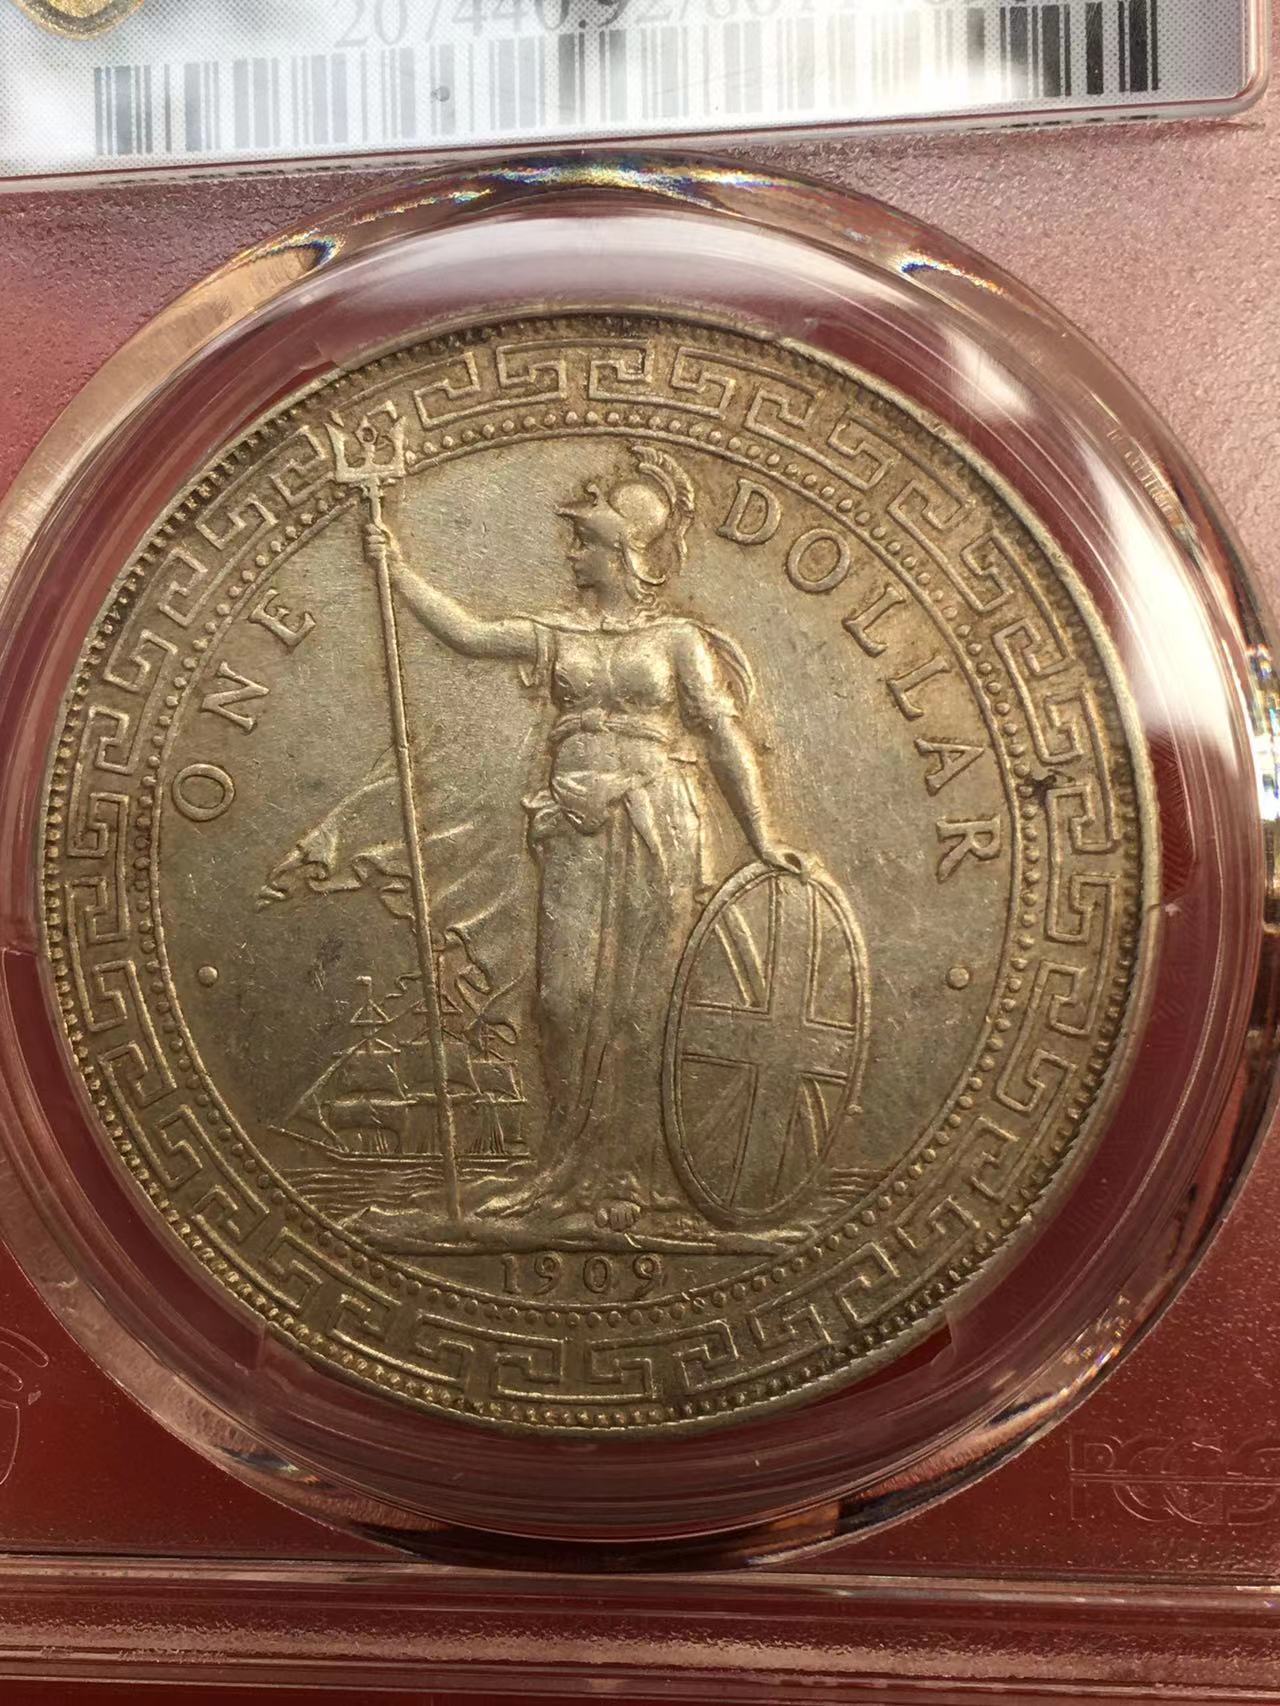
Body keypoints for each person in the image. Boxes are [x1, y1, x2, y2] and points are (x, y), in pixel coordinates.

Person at [365, 442, 801, 1232]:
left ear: (622, 552)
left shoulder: (678, 640)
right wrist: (395, 571)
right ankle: (561, 1172)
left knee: (640, 1004)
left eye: (583, 542)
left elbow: (722, 735)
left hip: (657, 818)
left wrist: (761, 834)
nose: (570, 555)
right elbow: (468, 635)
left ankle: (627, 1180)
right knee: (562, 999)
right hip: (573, 825)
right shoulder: (557, 632)